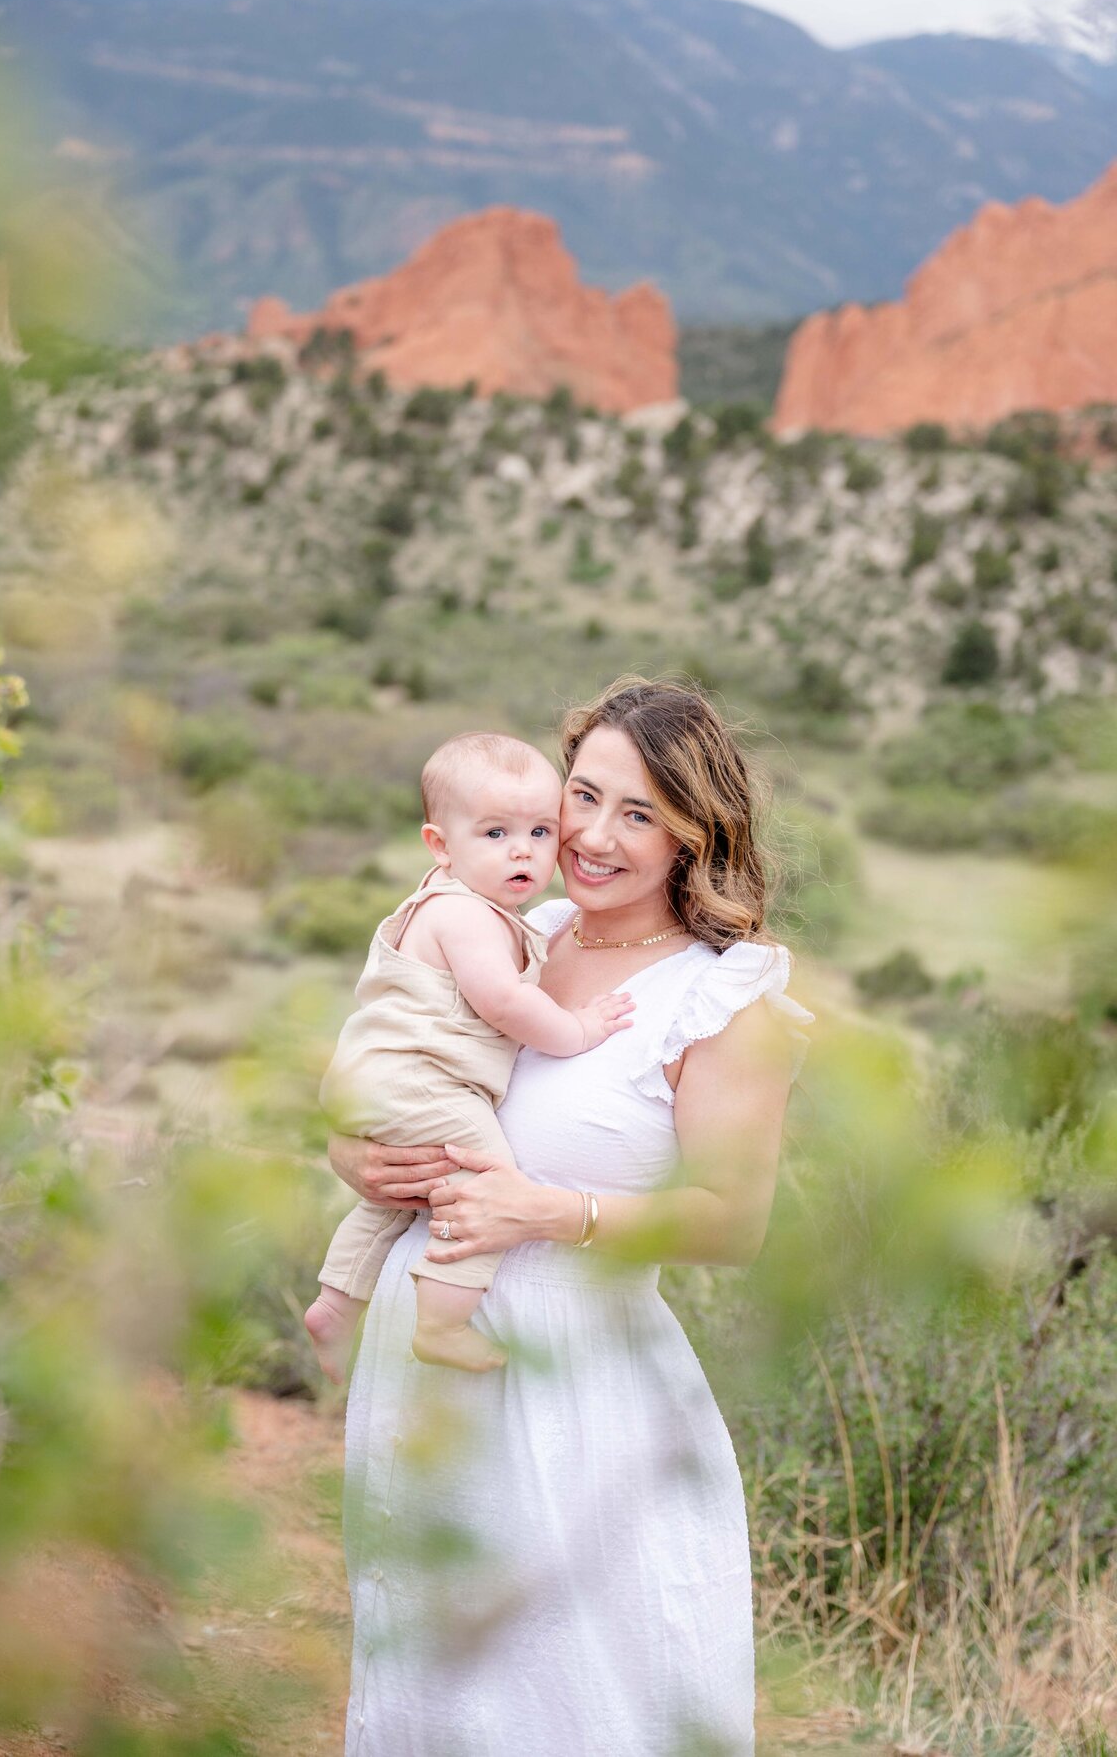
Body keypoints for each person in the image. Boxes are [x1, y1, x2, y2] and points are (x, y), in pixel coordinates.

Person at [325, 677, 815, 1757]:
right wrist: (358, 1154)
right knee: (433, 1677)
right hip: (425, 1374)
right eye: (581, 798)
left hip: (583, 1392)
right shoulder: (514, 933)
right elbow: (388, 1069)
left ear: (696, 831)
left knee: (576, 1698)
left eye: (637, 813)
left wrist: (547, 1210)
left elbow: (732, 1223)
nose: (591, 837)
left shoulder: (725, 997)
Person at [305, 730, 635, 1380]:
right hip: (420, 1081)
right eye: (495, 834)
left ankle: (335, 1303)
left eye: (541, 833)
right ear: (440, 846)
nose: (523, 851)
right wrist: (579, 1029)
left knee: (397, 1197)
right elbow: (505, 1002)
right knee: (483, 1177)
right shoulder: (469, 917)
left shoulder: (452, 903)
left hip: (386, 1081)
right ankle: (443, 1323)